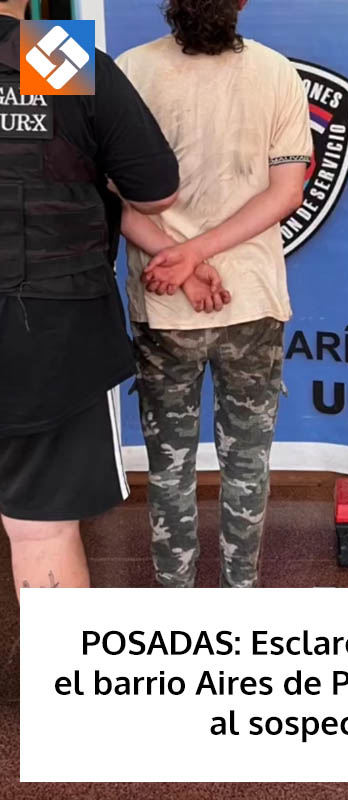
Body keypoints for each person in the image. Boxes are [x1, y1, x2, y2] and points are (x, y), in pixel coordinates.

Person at [116, 0, 312, 588]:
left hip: (164, 297)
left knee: (168, 470)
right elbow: (287, 193)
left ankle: (176, 605)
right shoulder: (277, 71)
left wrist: (183, 259)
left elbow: (101, 192)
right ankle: (238, 602)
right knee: (247, 466)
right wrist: (197, 257)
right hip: (249, 299)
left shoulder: (126, 70)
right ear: (242, 2)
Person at [0, 0, 181, 598]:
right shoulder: (50, 53)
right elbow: (155, 192)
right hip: (48, 327)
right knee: (41, 530)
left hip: (47, 320)